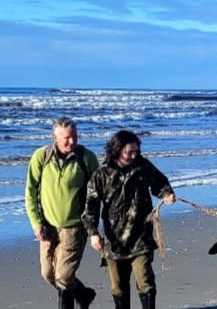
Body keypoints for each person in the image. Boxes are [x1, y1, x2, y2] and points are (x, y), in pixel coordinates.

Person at [82, 130, 176, 309]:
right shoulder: (102, 174)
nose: (134, 155)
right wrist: (93, 233)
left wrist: (166, 194)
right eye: (129, 152)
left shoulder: (143, 166)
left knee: (145, 280)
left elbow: (160, 182)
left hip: (141, 236)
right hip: (114, 240)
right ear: (117, 150)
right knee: (118, 286)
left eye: (136, 151)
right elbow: (91, 207)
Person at [25, 116, 100, 309]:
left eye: (74, 136)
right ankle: (83, 294)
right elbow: (30, 192)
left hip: (74, 227)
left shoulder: (86, 158)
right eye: (67, 138)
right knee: (48, 274)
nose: (72, 141)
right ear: (55, 137)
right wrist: (36, 223)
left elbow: (97, 194)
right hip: (47, 226)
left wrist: (93, 230)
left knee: (64, 276)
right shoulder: (41, 157)